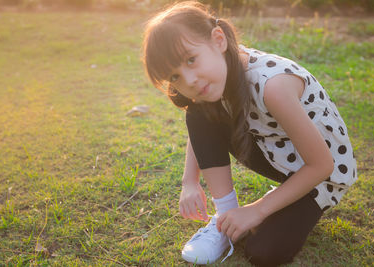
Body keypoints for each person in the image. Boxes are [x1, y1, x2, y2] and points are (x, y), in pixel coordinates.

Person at [142, 1, 357, 266]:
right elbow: (200, 125)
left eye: (191, 59)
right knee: (198, 109)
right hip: (275, 153)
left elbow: (323, 165)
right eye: (175, 76)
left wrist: (258, 210)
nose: (190, 80)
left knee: (264, 251)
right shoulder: (215, 77)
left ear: (218, 39)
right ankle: (225, 214)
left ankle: (265, 209)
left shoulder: (273, 85)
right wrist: (189, 181)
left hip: (321, 173)